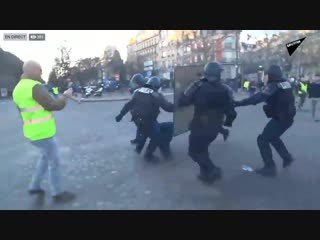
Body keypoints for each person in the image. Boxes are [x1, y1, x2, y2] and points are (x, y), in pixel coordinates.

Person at [12, 60, 76, 203]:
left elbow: (22, 112)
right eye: (40, 69)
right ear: (32, 70)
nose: (41, 72)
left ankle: (34, 186)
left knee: (45, 158)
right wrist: (65, 96)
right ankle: (57, 193)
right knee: (54, 161)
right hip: (43, 133)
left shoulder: (18, 89)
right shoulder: (34, 87)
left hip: (31, 132)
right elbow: (53, 105)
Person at [178, 62, 237, 184]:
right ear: (218, 74)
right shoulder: (226, 89)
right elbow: (231, 112)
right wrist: (227, 123)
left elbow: (183, 101)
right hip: (215, 128)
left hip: (199, 126)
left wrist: (181, 94)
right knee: (203, 150)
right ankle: (206, 175)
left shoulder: (197, 86)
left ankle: (213, 169)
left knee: (193, 152)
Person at [234, 65, 296, 177]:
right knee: (272, 137)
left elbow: (258, 98)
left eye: (267, 75)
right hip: (287, 117)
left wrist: (238, 103)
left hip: (281, 119)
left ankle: (270, 168)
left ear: (271, 76)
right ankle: (287, 157)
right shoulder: (285, 83)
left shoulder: (273, 86)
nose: (266, 77)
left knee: (262, 140)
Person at [115, 76, 174, 161]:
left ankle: (141, 146)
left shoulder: (137, 92)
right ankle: (149, 155)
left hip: (138, 121)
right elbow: (167, 107)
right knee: (162, 133)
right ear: (156, 86)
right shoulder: (156, 95)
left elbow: (128, 105)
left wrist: (120, 116)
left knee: (151, 130)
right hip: (148, 122)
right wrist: (178, 106)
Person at [128, 73, 148, 145]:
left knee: (142, 127)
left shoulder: (141, 91)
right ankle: (138, 139)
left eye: (135, 83)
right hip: (137, 113)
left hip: (142, 114)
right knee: (140, 127)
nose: (133, 85)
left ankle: (141, 140)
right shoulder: (137, 91)